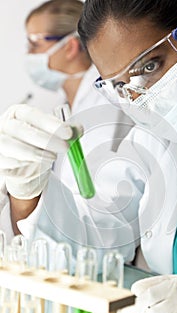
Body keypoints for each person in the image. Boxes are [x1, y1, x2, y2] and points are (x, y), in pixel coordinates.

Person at [0, 0, 177, 313]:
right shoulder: (147, 137)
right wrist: (26, 192)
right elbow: (85, 255)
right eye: (120, 85)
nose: (139, 98)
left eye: (149, 66)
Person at [25, 0, 134, 195]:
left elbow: (102, 194)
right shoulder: (66, 105)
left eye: (35, 43)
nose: (28, 53)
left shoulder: (107, 102)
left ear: (70, 47)